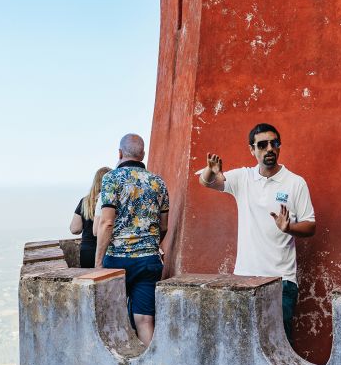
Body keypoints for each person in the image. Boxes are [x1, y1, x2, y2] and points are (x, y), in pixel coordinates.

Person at [198, 123, 316, 340]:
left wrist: (289, 227)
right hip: (244, 278)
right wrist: (211, 170)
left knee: (280, 346)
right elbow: (207, 182)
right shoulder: (243, 178)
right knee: (241, 342)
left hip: (282, 281)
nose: (269, 149)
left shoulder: (295, 183)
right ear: (252, 150)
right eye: (262, 145)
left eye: (274, 143)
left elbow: (310, 225)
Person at [95, 133, 169, 347]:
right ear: (142, 154)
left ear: (119, 153)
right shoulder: (158, 183)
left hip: (118, 259)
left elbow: (106, 223)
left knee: (111, 319)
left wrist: (99, 263)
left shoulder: (111, 179)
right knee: (145, 320)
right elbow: (163, 226)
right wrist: (151, 245)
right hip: (149, 260)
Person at [70, 166, 112, 268]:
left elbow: (74, 229)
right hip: (107, 250)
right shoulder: (111, 202)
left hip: (87, 250)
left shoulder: (85, 201)